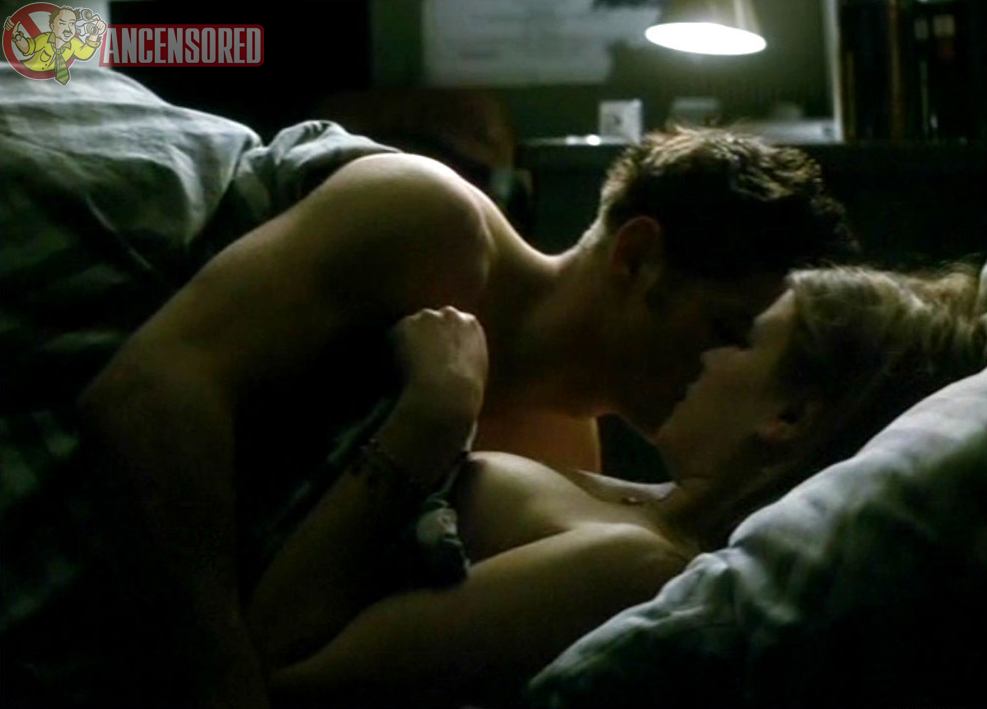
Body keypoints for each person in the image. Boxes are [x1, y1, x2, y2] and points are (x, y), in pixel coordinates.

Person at [0, 67, 852, 707]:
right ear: (635, 258)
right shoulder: (440, 227)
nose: (731, 368)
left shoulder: (562, 448)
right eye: (724, 327)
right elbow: (149, 395)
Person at [242, 261, 987, 709]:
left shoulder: (635, 565)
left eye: (740, 340)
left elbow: (288, 672)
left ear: (787, 416)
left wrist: (429, 417)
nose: (703, 355)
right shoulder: (634, 496)